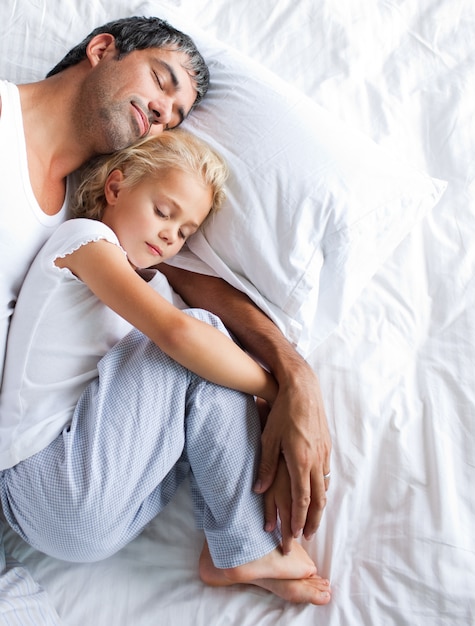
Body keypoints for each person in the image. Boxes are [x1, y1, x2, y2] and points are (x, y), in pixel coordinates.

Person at [0, 14, 330, 616]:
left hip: (95, 502)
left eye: (178, 115)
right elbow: (179, 333)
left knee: (203, 362)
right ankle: (241, 548)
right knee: (197, 342)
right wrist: (272, 388)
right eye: (162, 81)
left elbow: (185, 295)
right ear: (101, 49)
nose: (164, 113)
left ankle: (234, 545)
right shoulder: (84, 235)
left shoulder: (99, 226)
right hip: (40, 480)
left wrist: (295, 376)